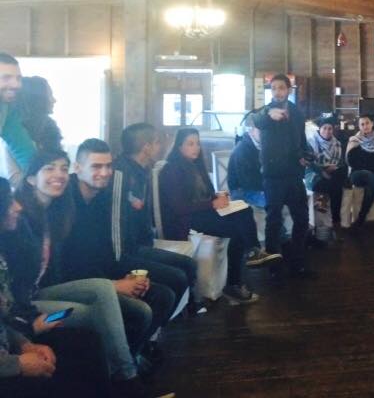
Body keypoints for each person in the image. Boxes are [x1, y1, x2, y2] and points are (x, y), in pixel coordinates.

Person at [11, 153, 161, 394]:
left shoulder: (58, 212)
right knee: (92, 313)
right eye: (49, 168)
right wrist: (26, 326)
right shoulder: (17, 219)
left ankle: (123, 372)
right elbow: (12, 287)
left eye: (63, 168)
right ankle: (127, 380)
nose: (59, 174)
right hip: (28, 308)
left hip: (47, 292)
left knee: (139, 310)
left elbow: (74, 263)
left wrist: (116, 283)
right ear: (30, 179)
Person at [0, 176, 113, 398]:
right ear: (32, 179)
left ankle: (127, 376)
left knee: (89, 335)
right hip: (26, 321)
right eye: (8, 201)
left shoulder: (56, 218)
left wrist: (23, 343)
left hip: (22, 323)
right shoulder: (24, 226)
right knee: (86, 315)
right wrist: (20, 356)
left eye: (63, 168)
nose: (17, 206)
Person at [74, 138, 196, 321]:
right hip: (82, 276)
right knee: (159, 297)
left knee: (174, 281)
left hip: (111, 260)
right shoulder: (69, 202)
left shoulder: (100, 196)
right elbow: (75, 259)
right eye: (96, 167)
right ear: (77, 168)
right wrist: (114, 283)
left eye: (108, 166)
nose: (105, 173)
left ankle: (148, 336)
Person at [159, 128, 279, 305]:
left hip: (202, 213)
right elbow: (179, 207)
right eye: (190, 144)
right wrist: (212, 204)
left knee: (244, 210)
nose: (196, 148)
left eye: (197, 143)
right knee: (237, 231)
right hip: (186, 219)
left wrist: (218, 198)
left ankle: (253, 251)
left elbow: (205, 195)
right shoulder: (171, 170)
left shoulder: (196, 166)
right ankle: (234, 283)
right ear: (179, 147)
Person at [253, 74, 314, 278]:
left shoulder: (296, 112)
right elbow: (255, 120)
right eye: (274, 88)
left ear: (289, 90)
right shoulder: (265, 111)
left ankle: (298, 263)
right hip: (273, 175)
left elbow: (301, 139)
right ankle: (274, 267)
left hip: (294, 173)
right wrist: (269, 114)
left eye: (281, 87)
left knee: (302, 219)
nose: (277, 91)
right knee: (274, 221)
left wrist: (305, 156)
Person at [0, 53, 36, 183]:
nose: (16, 85)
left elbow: (24, 149)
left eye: (18, 78)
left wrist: (39, 175)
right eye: (6, 78)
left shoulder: (6, 109)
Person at [306, 117, 346, 227]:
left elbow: (340, 162)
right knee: (336, 187)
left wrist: (333, 168)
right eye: (324, 128)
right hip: (314, 174)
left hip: (331, 173)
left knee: (339, 176)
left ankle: (326, 207)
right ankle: (335, 220)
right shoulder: (311, 142)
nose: (327, 131)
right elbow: (309, 163)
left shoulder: (337, 144)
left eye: (330, 129)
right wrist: (322, 171)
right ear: (319, 129)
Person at [16, 77, 62, 154]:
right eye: (50, 95)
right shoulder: (16, 133)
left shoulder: (50, 129)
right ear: (38, 99)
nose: (54, 100)